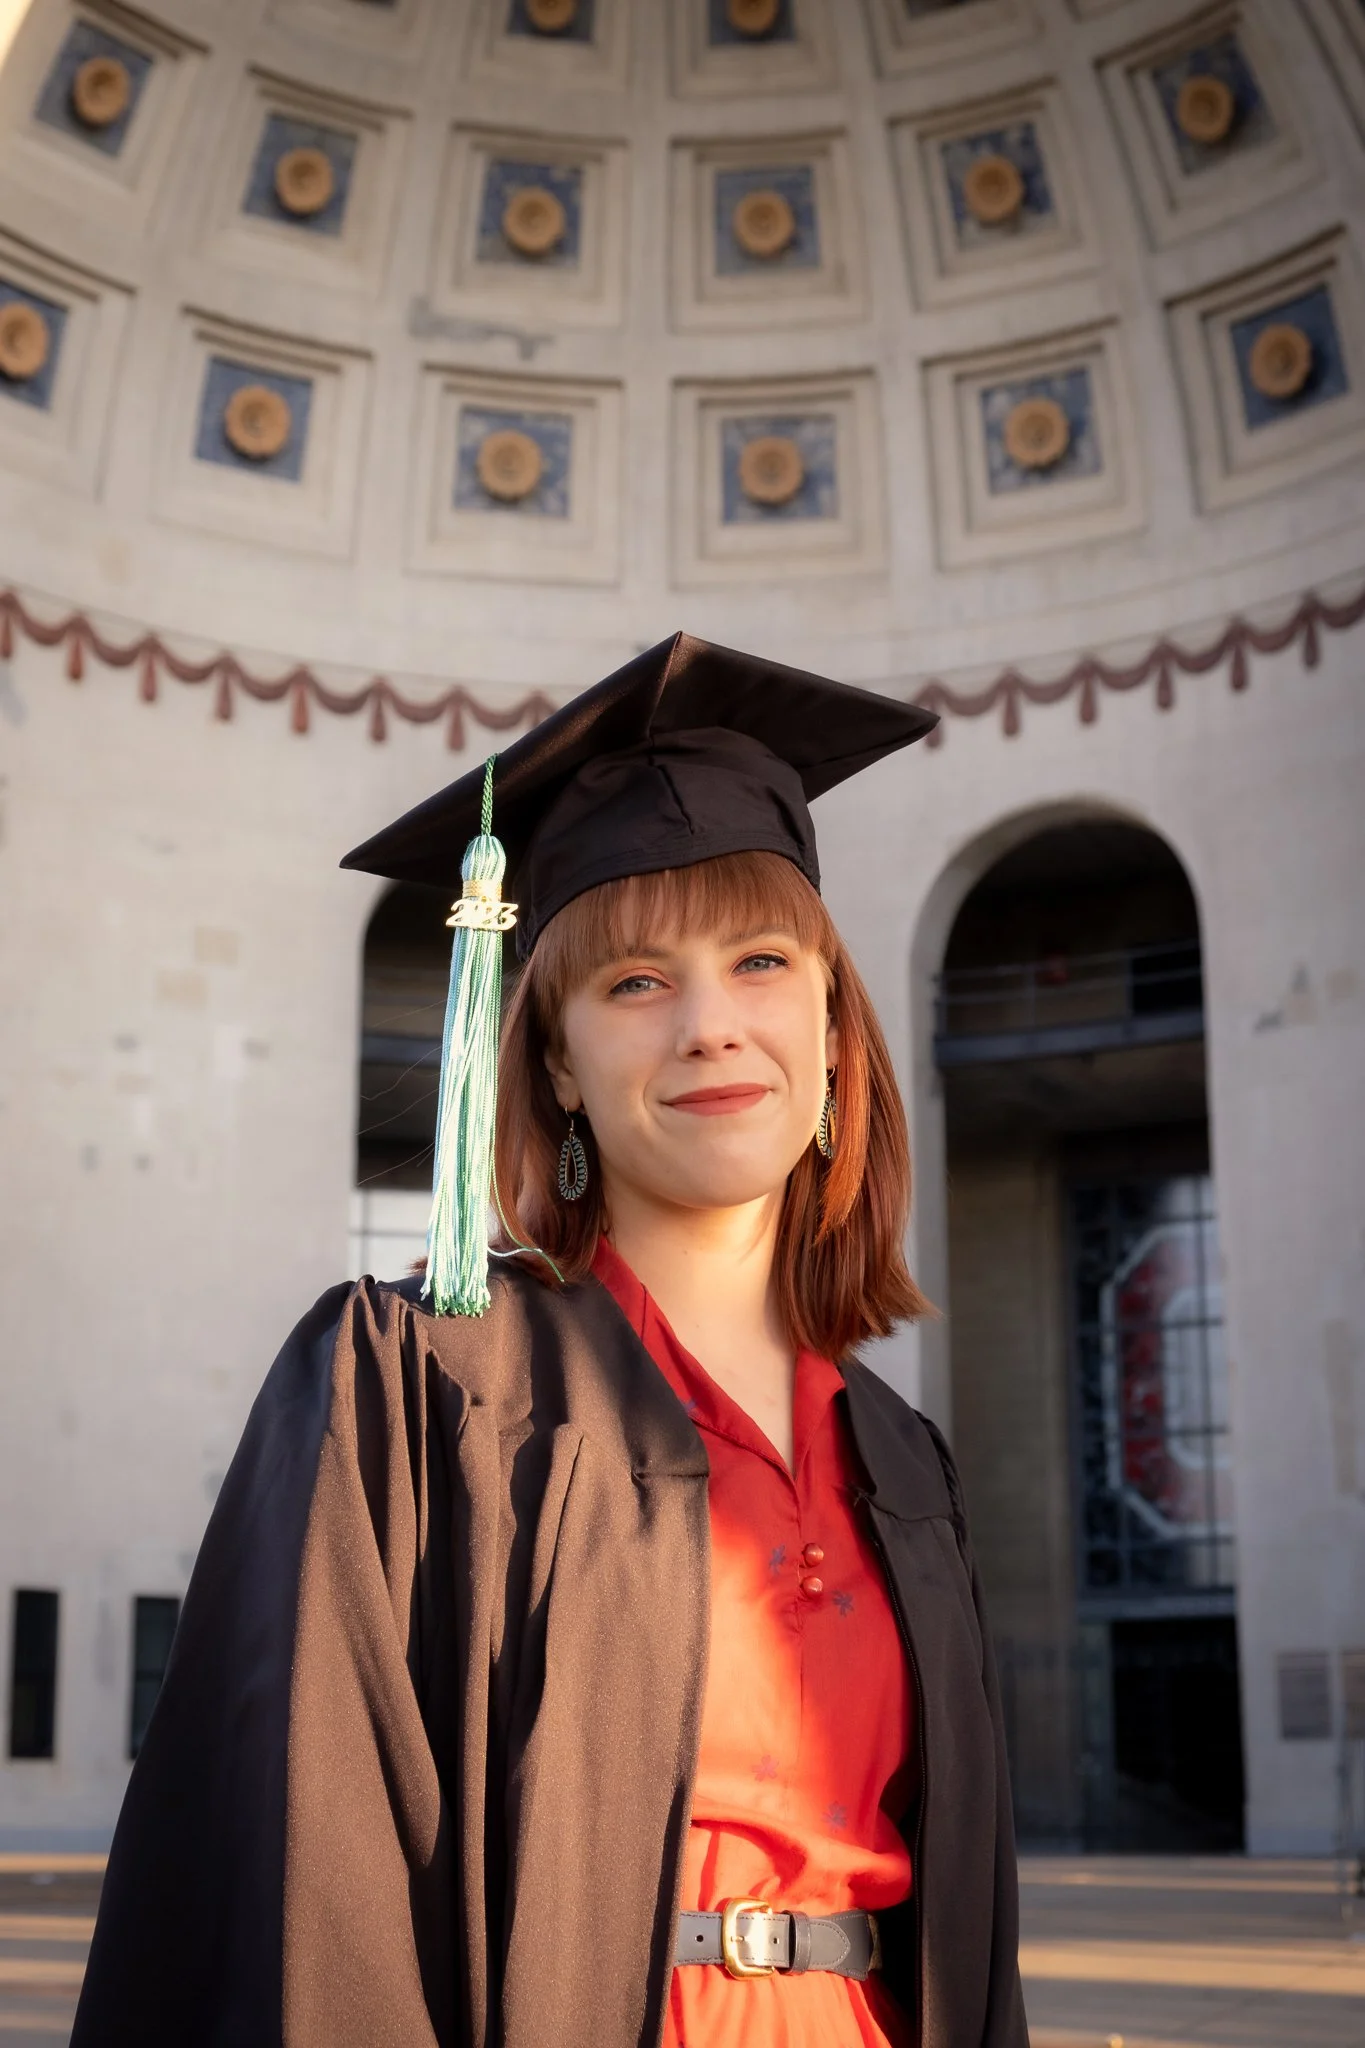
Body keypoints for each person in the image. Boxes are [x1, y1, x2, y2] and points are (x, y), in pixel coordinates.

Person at [72, 633, 1029, 2048]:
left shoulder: (906, 1462)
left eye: (763, 962)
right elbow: (312, 1908)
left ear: (835, 1033)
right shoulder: (419, 1387)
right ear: (559, 1062)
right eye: (636, 982)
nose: (710, 1027)